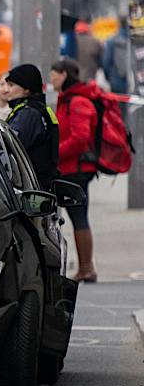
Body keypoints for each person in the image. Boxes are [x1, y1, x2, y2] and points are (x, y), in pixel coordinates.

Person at [52, 56, 126, 282]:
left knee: (78, 216)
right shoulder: (68, 99)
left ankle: (86, 267)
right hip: (71, 167)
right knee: (76, 216)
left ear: (64, 74)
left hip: (76, 169)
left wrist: (55, 153)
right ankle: (85, 266)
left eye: (54, 74)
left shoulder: (78, 102)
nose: (51, 79)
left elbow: (80, 138)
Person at [0, 63, 59, 191]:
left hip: (29, 187)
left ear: (26, 89)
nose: (7, 90)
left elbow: (9, 147)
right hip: (39, 185)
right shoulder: (37, 110)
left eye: (12, 85)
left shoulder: (28, 115)